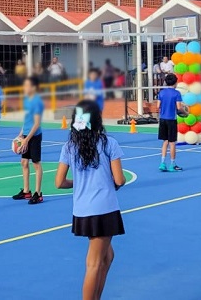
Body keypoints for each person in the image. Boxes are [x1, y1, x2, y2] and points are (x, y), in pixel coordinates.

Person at [55, 99, 126, 300]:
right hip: (104, 209)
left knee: (108, 256)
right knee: (94, 263)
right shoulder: (108, 143)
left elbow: (59, 182)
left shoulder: (70, 147)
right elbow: (119, 179)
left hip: (82, 210)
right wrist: (113, 182)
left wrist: (79, 183)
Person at [13, 77, 45, 204]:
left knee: (36, 163)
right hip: (26, 135)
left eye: (27, 85)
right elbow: (26, 120)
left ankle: (38, 193)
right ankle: (26, 191)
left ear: (33, 87)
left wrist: (27, 140)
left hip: (34, 136)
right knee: (24, 162)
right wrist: (20, 135)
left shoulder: (37, 101)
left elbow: (36, 124)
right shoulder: (26, 99)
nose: (25, 88)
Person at [157, 73, 185, 172]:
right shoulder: (177, 93)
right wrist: (186, 113)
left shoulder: (161, 93)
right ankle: (172, 165)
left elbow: (158, 106)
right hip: (171, 120)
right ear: (176, 82)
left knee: (165, 141)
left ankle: (162, 163)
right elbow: (179, 107)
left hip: (162, 119)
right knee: (172, 143)